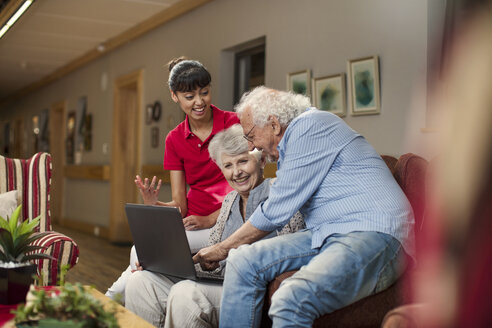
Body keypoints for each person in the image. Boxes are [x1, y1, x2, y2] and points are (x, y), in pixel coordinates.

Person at [194, 86, 415, 327]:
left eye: (250, 136)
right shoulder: (293, 144)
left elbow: (276, 211)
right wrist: (229, 250)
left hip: (374, 231)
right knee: (242, 260)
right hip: (326, 232)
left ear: (274, 125)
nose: (250, 147)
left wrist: (222, 248)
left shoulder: (309, 126)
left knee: (291, 298)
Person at [124, 124, 304, 327]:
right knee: (140, 282)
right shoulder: (229, 202)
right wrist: (163, 266)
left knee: (186, 294)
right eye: (228, 166)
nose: (237, 172)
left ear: (261, 161)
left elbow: (293, 254)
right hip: (217, 282)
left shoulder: (280, 195)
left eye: (243, 161)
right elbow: (211, 256)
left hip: (246, 291)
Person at [105, 58, 239, 301]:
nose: (199, 102)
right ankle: (117, 300)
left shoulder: (233, 124)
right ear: (175, 96)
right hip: (192, 223)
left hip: (227, 221)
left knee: (142, 252)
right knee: (140, 252)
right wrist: (155, 203)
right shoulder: (174, 139)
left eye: (204, 93)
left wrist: (210, 218)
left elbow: (246, 186)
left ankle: (107, 300)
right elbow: (180, 205)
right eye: (189, 96)